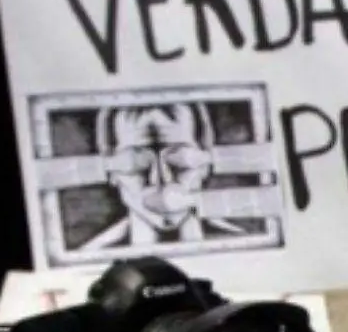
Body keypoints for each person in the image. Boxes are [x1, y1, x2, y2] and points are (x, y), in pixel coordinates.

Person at [83, 102, 242, 249]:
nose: (161, 181)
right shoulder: (90, 257)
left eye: (181, 163)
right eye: (136, 166)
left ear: (205, 165)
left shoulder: (240, 246)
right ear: (110, 172)